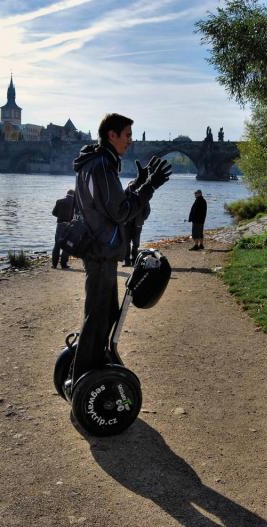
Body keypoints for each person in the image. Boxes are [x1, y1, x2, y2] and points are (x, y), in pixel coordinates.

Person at [70, 113, 172, 382]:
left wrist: (137, 184)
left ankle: (93, 367)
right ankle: (83, 378)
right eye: (126, 134)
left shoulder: (98, 162)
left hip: (100, 248)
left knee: (105, 313)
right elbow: (120, 211)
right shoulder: (103, 164)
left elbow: (109, 204)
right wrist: (149, 187)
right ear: (111, 135)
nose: (130, 140)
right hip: (101, 250)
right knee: (99, 317)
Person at [51, 189, 75, 268]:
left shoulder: (59, 201)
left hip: (60, 224)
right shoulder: (75, 203)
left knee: (57, 244)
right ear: (73, 195)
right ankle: (64, 264)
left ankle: (54, 264)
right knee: (67, 244)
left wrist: (60, 216)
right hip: (70, 225)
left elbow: (53, 213)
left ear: (67, 194)